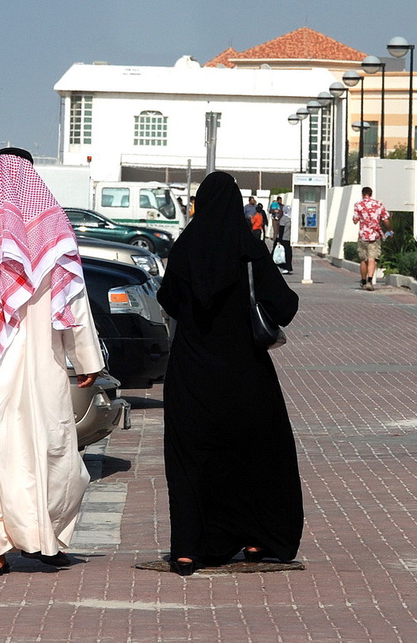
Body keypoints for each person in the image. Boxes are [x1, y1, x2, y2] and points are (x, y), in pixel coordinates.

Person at [0, 147, 104, 577]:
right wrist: (86, 357)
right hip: (43, 363)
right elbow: (76, 301)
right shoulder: (55, 230)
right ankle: (39, 543)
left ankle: (2, 550)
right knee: (51, 451)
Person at [156, 171, 303, 576]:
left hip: (191, 374)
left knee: (190, 461)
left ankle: (187, 548)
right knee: (256, 455)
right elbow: (285, 306)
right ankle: (256, 538)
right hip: (245, 375)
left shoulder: (185, 247)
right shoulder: (248, 248)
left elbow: (167, 298)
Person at [352, 186, 392, 291]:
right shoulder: (378, 204)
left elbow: (355, 220)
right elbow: (386, 219)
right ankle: (370, 280)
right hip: (375, 235)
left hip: (363, 236)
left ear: (362, 194)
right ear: (371, 194)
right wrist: (390, 231)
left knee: (363, 260)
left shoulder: (358, 205)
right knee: (372, 259)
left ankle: (363, 281)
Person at [275, 203, 293, 274]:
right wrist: (279, 240)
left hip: (288, 239)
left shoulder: (289, 218)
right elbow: (281, 230)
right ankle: (284, 267)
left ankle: (288, 267)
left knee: (288, 254)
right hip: (283, 239)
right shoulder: (283, 219)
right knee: (283, 254)